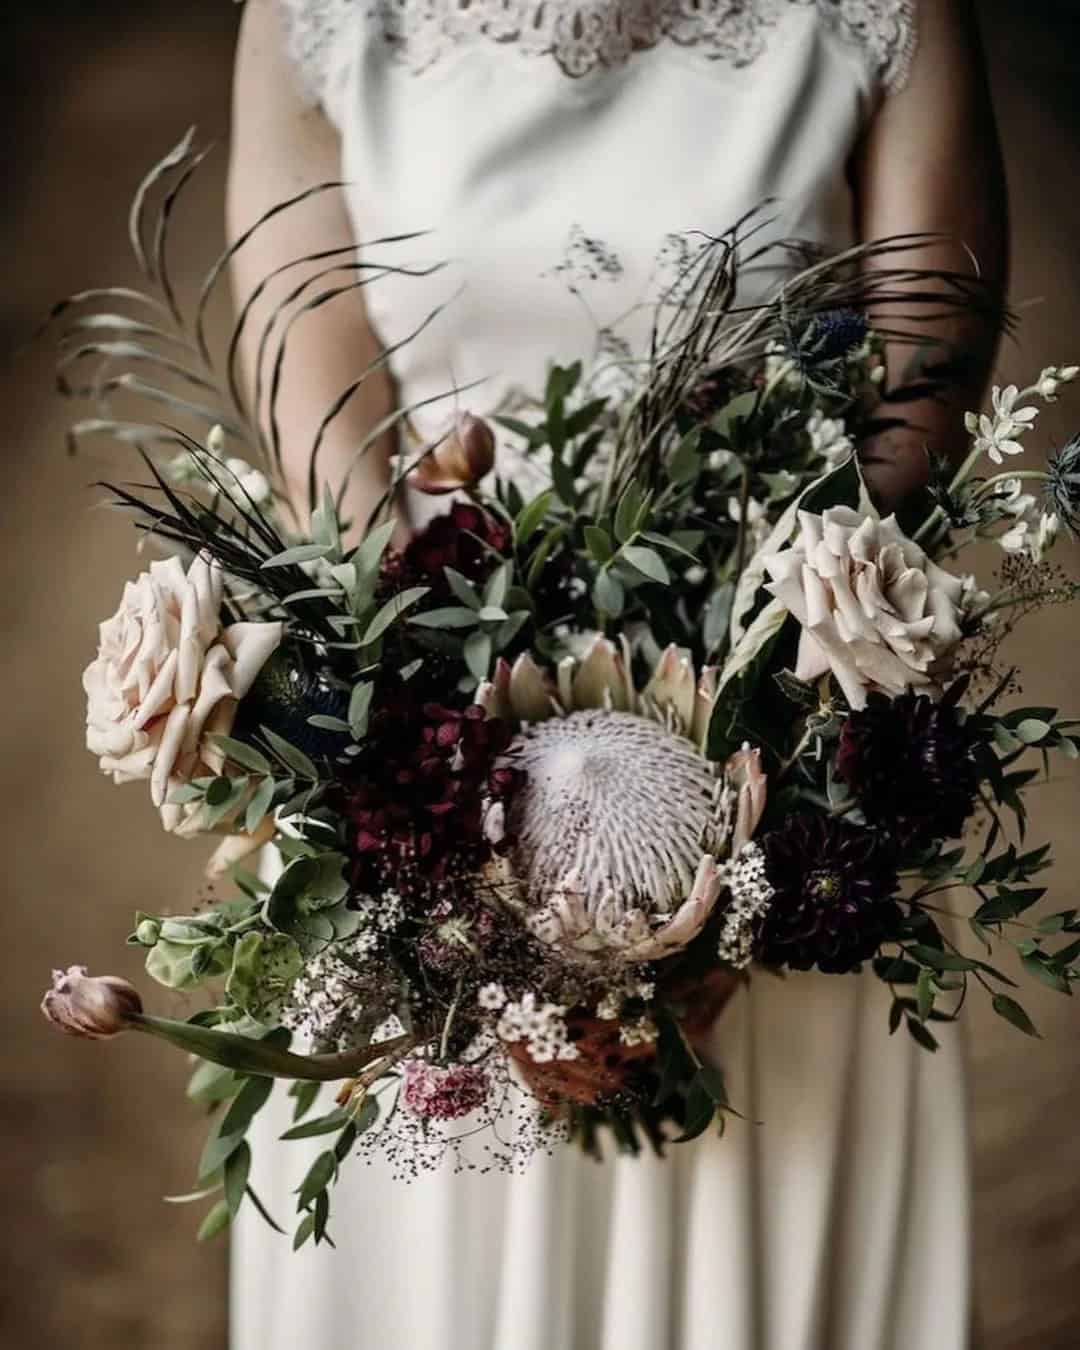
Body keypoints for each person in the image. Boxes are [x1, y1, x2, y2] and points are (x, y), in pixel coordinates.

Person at [227, 2, 1007, 1347]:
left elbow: (923, 371)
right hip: (428, 738)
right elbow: (309, 355)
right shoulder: (318, 15)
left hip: (789, 749)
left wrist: (748, 802)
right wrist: (444, 776)